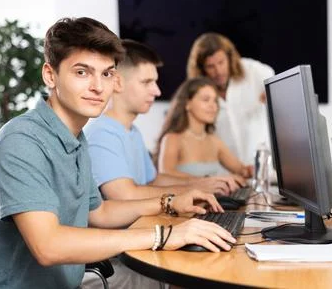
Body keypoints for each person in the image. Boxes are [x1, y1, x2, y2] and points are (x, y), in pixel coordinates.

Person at [0, 17, 235, 289]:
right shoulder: (22, 140)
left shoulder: (76, 137)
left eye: (107, 73)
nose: (98, 87)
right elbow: (48, 246)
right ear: (50, 75)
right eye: (82, 72)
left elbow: (99, 212)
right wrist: (164, 235)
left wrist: (169, 202)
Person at [84, 39, 244, 203]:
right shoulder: (102, 134)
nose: (157, 91)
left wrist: (201, 183)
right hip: (132, 229)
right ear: (117, 82)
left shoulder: (132, 131)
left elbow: (153, 181)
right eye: (147, 82)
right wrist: (193, 189)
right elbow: (126, 195)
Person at [187, 32, 274, 165]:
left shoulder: (252, 71)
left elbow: (276, 83)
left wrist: (272, 93)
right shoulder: (198, 91)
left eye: (221, 62)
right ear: (202, 69)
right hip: (225, 171)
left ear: (230, 58)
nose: (218, 71)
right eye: (211, 66)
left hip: (261, 165)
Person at [156, 77, 253, 179]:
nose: (213, 106)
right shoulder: (172, 139)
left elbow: (243, 171)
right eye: (206, 100)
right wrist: (210, 181)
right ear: (187, 104)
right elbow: (165, 174)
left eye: (215, 101)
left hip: (214, 195)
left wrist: (252, 170)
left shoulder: (215, 141)